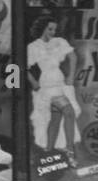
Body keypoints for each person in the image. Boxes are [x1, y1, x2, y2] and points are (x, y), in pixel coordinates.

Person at [27, 16, 82, 162]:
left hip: (61, 84)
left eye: (54, 29)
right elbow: (21, 67)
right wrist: (33, 83)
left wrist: (71, 76)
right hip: (47, 86)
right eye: (50, 29)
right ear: (42, 28)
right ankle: (69, 150)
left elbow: (73, 57)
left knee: (56, 118)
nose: (53, 32)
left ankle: (48, 151)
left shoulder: (59, 42)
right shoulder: (33, 47)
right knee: (68, 112)